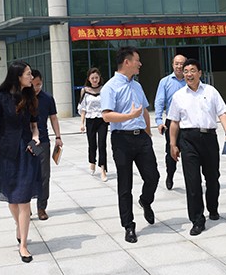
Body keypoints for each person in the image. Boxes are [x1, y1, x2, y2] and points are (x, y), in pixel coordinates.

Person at [0, 60, 41, 263]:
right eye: (28, 74)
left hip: (27, 152)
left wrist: (36, 138)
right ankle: (19, 224)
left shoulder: (30, 97)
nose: (31, 77)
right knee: (12, 199)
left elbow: (34, 125)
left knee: (23, 199)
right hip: (6, 152)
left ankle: (23, 245)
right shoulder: (0, 98)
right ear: (18, 76)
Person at [168, 58, 226, 236]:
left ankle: (213, 207)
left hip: (208, 138)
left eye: (192, 71)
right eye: (186, 71)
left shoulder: (211, 91)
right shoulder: (178, 96)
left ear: (200, 73)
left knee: (212, 178)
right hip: (188, 140)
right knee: (192, 181)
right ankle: (197, 220)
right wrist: (173, 144)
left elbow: (222, 113)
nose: (188, 74)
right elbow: (174, 122)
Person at [101, 46, 159, 244]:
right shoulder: (110, 87)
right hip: (121, 140)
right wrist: (129, 116)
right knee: (125, 185)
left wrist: (148, 132)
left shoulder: (137, 86)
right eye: (137, 60)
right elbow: (106, 115)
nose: (140, 64)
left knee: (153, 176)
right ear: (127, 62)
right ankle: (129, 225)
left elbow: (144, 111)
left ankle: (145, 200)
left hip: (141, 138)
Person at [31, 69, 63, 220]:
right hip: (26, 141)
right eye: (33, 85)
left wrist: (58, 136)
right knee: (27, 174)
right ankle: (25, 206)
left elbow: (54, 118)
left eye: (39, 84)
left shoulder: (47, 98)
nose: (36, 88)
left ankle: (41, 207)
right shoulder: (22, 98)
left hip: (43, 141)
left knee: (44, 175)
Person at [153, 54, 187, 190]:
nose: (179, 66)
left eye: (182, 64)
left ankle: (191, 179)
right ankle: (170, 175)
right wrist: (159, 121)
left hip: (188, 122)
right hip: (172, 121)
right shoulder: (165, 82)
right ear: (172, 65)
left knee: (190, 152)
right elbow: (159, 101)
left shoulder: (191, 80)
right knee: (171, 150)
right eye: (176, 63)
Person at [78, 68, 109, 182]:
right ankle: (92, 161)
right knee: (92, 143)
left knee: (102, 144)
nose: (95, 80)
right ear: (89, 79)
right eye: (92, 78)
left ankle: (103, 169)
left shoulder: (104, 89)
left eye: (96, 77)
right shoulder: (85, 91)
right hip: (90, 120)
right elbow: (83, 108)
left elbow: (108, 105)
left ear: (100, 78)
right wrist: (82, 123)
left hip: (102, 119)